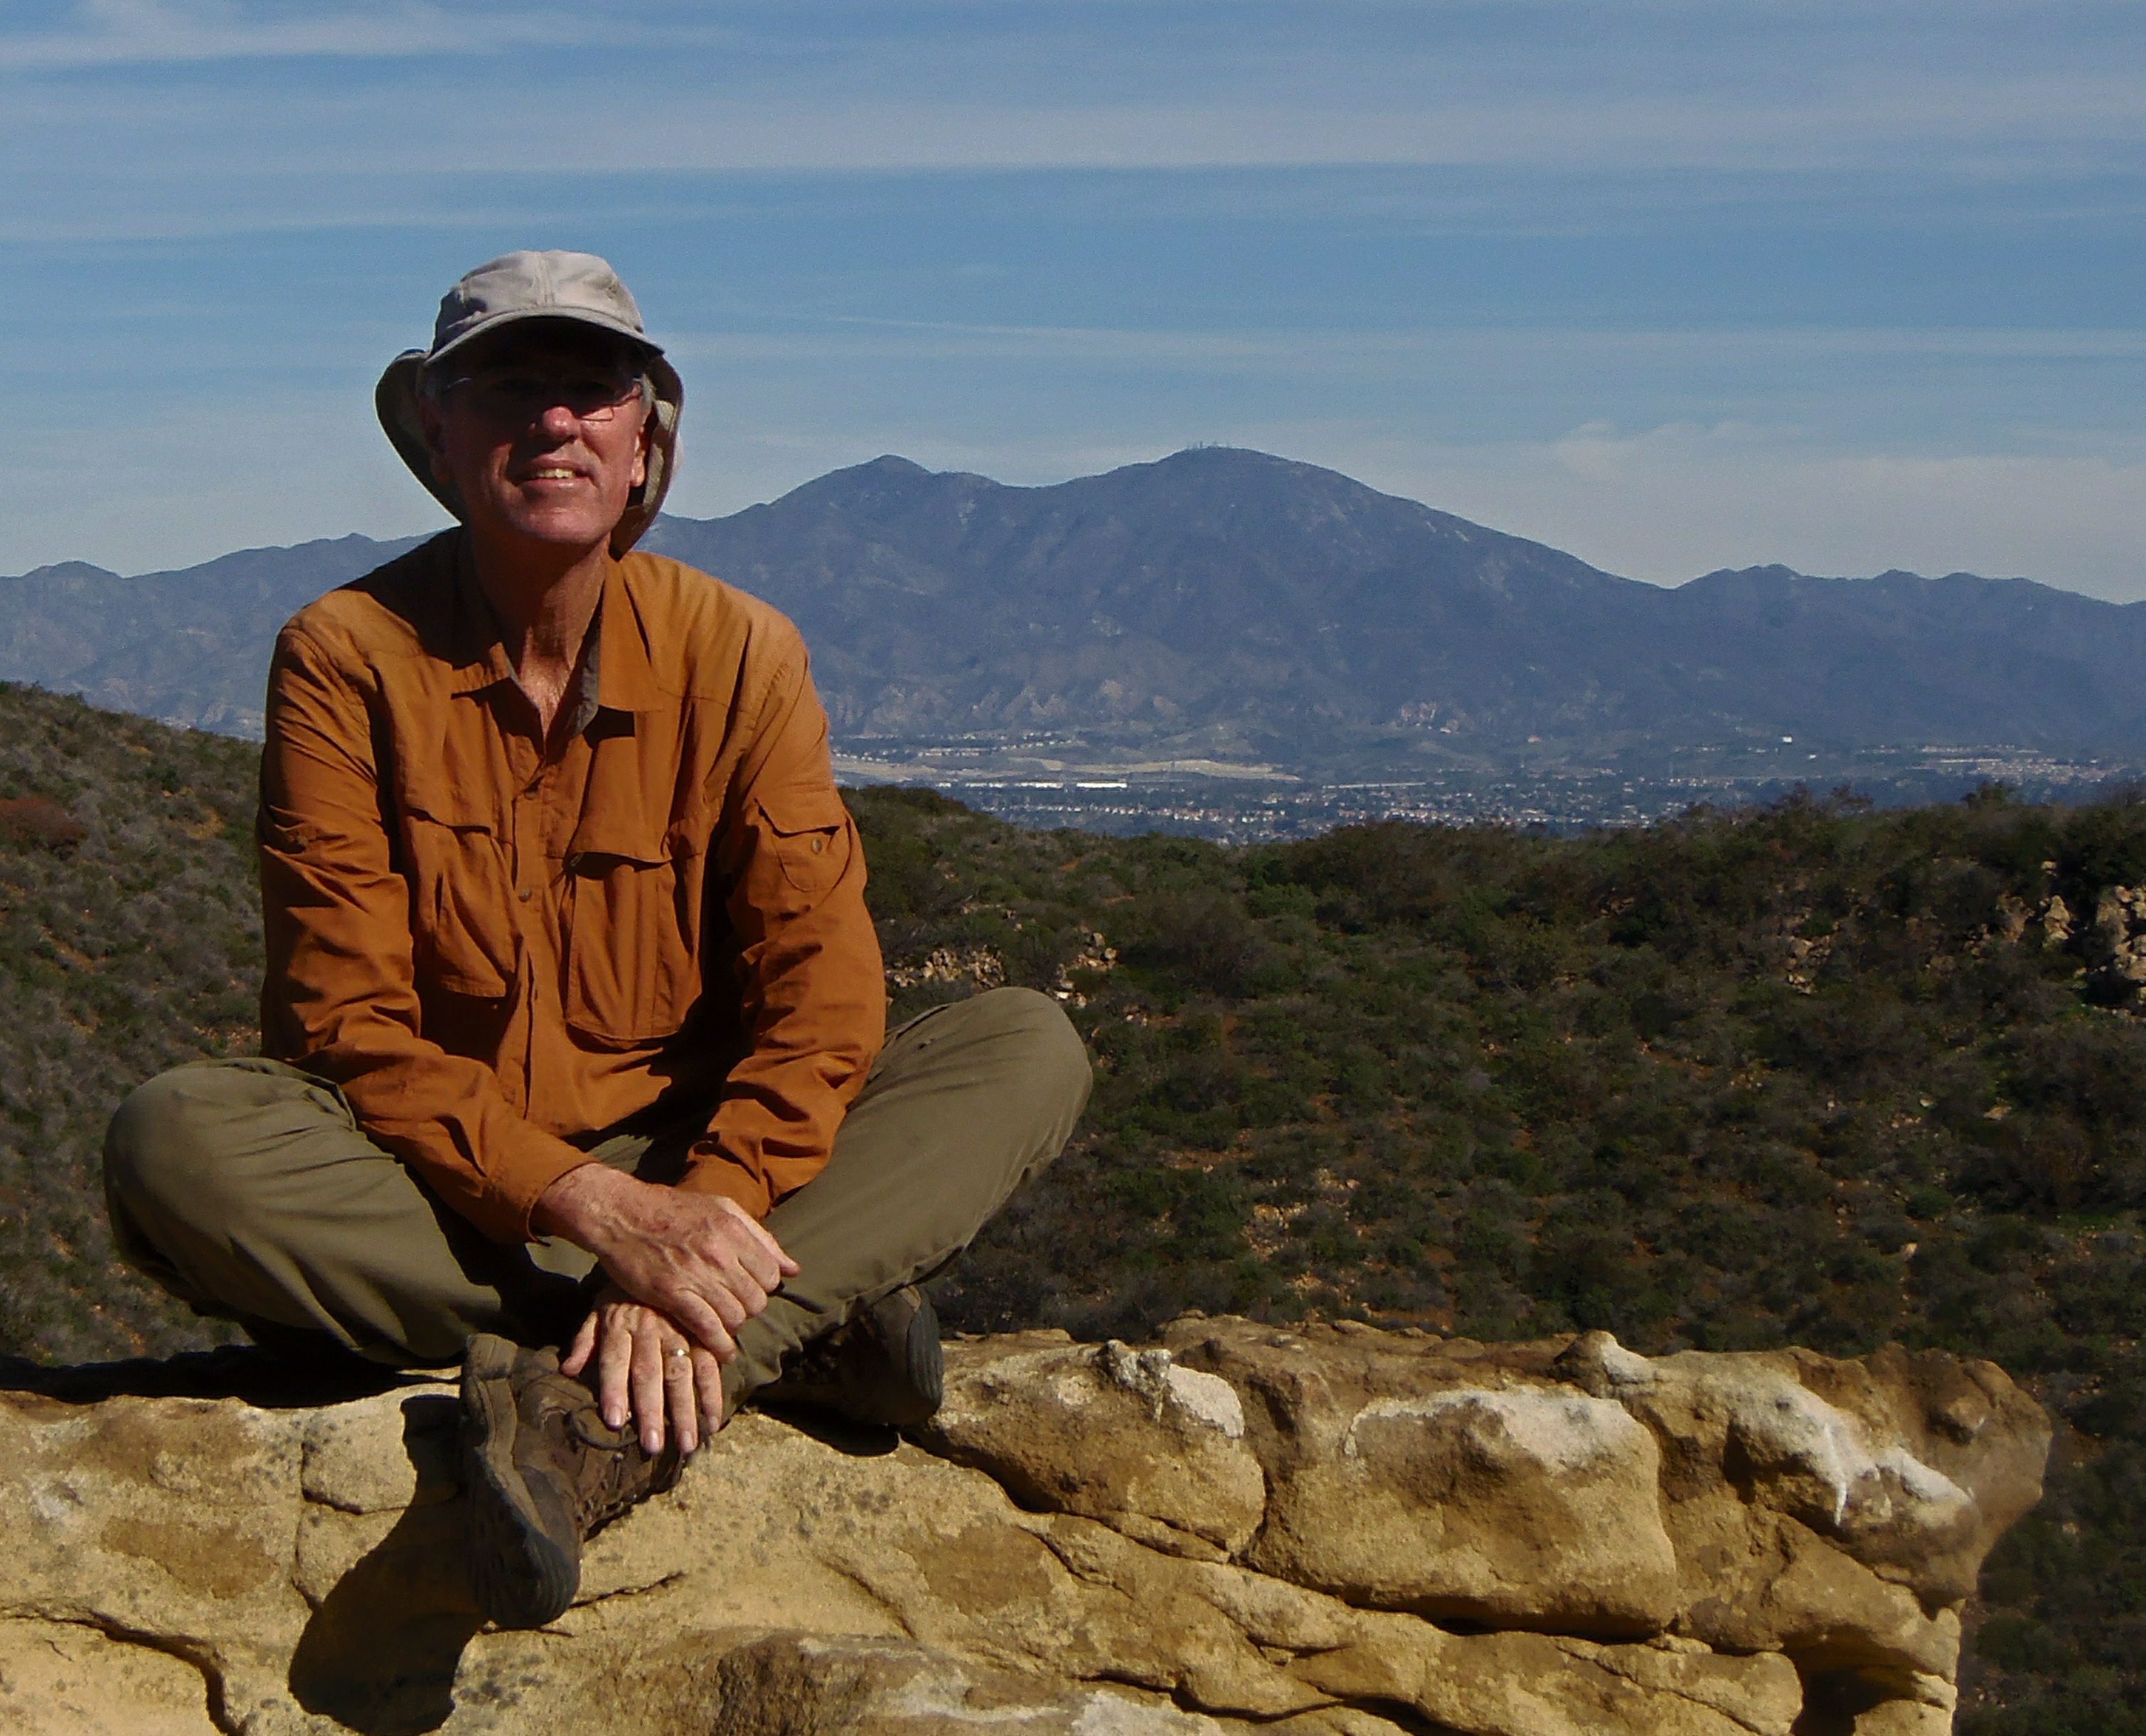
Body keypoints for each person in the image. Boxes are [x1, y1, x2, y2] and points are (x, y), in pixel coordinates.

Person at [101, 250, 1091, 1629]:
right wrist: (601, 1218)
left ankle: (598, 1403)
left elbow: (821, 997)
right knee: (176, 1140)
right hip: (467, 1193)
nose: (554, 420)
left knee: (1023, 1043)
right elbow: (345, 1027)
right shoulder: (344, 656)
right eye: (509, 386)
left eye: (592, 390)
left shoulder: (740, 652)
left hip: (714, 1170)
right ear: (439, 436)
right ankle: (783, 1330)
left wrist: (709, 1208)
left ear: (644, 446)